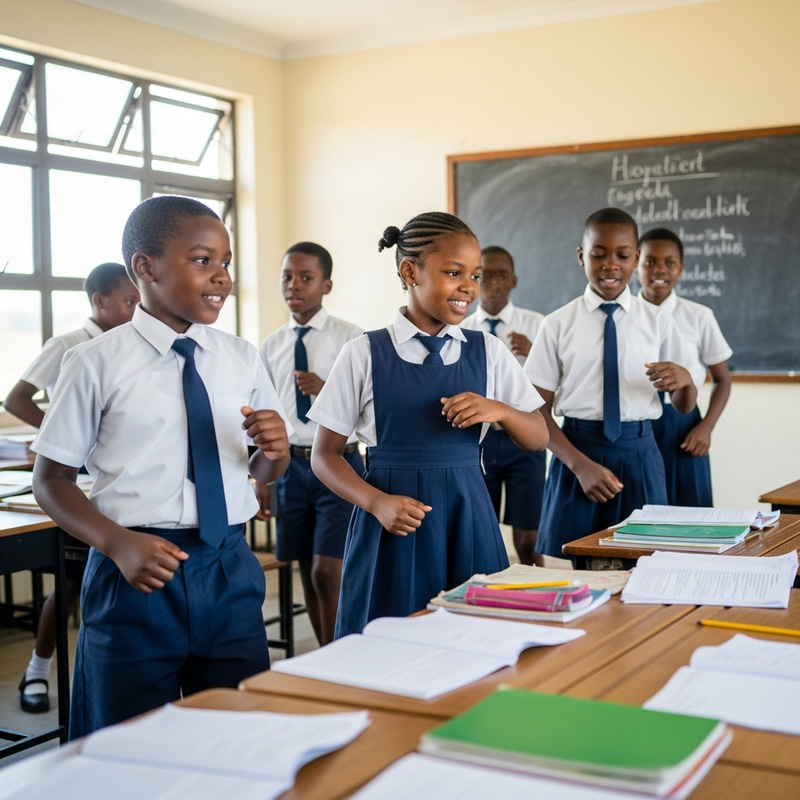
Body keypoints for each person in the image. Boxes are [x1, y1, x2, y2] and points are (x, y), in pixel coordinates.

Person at [30, 195, 291, 738]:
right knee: (124, 741)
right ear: (144, 268)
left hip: (227, 566)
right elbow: (51, 480)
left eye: (226, 262)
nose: (221, 276)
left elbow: (262, 476)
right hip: (136, 568)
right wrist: (118, 544)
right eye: (202, 260)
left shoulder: (241, 357)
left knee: (237, 733)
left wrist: (275, 453)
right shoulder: (95, 362)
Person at [308, 212, 548, 637]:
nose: (469, 287)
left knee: (477, 638)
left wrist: (502, 411)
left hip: (468, 516)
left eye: (474, 275)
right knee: (390, 638)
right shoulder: (364, 353)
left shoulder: (487, 350)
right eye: (453, 273)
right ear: (409, 272)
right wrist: (376, 503)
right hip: (391, 522)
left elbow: (537, 436)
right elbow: (325, 455)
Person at [524, 207, 701, 560]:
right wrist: (579, 465)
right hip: (576, 450)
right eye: (598, 254)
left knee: (646, 560)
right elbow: (533, 408)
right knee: (575, 561)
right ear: (581, 256)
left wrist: (684, 382)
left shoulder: (659, 322)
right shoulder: (558, 324)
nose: (610, 265)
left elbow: (684, 404)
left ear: (636, 259)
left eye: (622, 255)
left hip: (640, 452)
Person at [4, 262, 140, 714]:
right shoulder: (68, 346)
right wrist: (66, 436)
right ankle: (39, 670)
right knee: (71, 581)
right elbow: (16, 398)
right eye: (127, 301)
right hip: (72, 483)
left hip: (120, 483)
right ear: (98, 301)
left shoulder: (135, 345)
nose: (136, 308)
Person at [260, 242, 363, 645]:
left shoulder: (350, 339)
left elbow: (370, 412)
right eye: (287, 276)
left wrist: (326, 389)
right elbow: (266, 411)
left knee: (328, 570)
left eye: (306, 277)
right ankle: (327, 651)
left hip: (337, 462)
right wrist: (263, 479)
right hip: (291, 466)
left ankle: (346, 647)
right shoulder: (271, 345)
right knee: (305, 564)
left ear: (327, 285)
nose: (294, 285)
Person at [461, 245, 546, 566]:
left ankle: (536, 594)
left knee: (529, 536)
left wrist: (533, 350)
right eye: (485, 275)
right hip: (478, 438)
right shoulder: (461, 328)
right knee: (482, 529)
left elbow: (555, 384)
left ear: (514, 280)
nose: (493, 283)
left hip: (524, 436)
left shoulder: (536, 324)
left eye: (501, 275)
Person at [637, 227, 732, 506]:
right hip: (635, 426)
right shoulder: (621, 317)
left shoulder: (699, 316)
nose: (659, 270)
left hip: (682, 427)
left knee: (689, 514)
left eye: (670, 262)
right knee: (639, 513)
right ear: (635, 265)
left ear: (681, 268)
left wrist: (706, 428)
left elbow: (723, 380)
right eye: (650, 262)